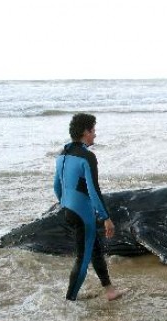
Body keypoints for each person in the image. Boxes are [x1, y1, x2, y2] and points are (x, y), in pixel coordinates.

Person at [54, 113, 126, 301]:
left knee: (94, 249)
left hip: (68, 209)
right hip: (83, 214)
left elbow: (57, 186)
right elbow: (93, 190)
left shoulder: (62, 154)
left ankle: (110, 290)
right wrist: (106, 218)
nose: (95, 135)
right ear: (85, 132)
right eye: (93, 131)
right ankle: (69, 301)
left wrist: (65, 203)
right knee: (83, 260)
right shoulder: (87, 157)